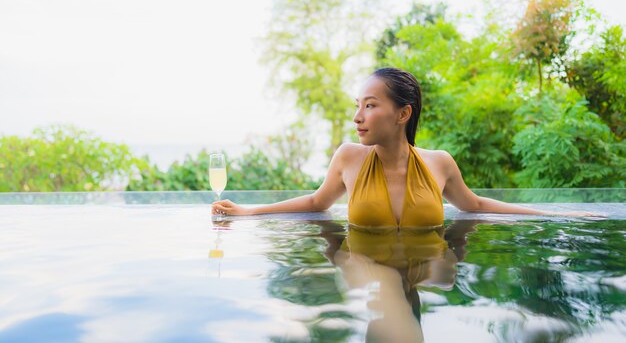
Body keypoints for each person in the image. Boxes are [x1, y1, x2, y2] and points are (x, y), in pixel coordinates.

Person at [212, 67, 604, 224]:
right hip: (365, 272)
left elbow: (478, 205)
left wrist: (557, 216)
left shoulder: (439, 164)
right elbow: (317, 203)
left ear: (403, 114)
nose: (357, 118)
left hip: (424, 270)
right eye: (358, 107)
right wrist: (248, 211)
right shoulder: (348, 157)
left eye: (370, 106)